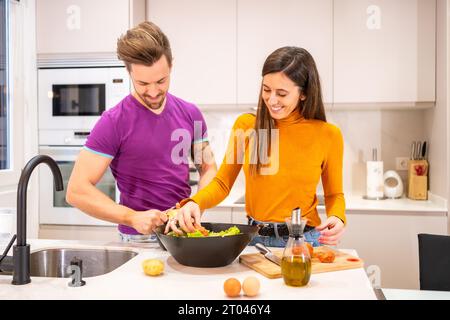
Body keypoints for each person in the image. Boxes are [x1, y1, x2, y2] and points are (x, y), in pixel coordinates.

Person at [166, 46, 346, 247]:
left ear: (303, 93)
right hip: (255, 240)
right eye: (266, 90)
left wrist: (338, 217)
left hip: (302, 241)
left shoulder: (328, 135)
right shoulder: (246, 126)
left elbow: (334, 195)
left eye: (282, 93)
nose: (272, 100)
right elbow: (222, 183)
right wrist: (194, 202)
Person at [66, 21, 217, 242]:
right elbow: (76, 190)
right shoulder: (113, 122)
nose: (154, 91)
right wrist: (132, 217)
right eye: (143, 83)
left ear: (171, 66)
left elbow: (208, 168)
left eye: (161, 81)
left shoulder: (190, 113)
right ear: (129, 72)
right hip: (139, 240)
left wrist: (196, 204)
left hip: (184, 235)